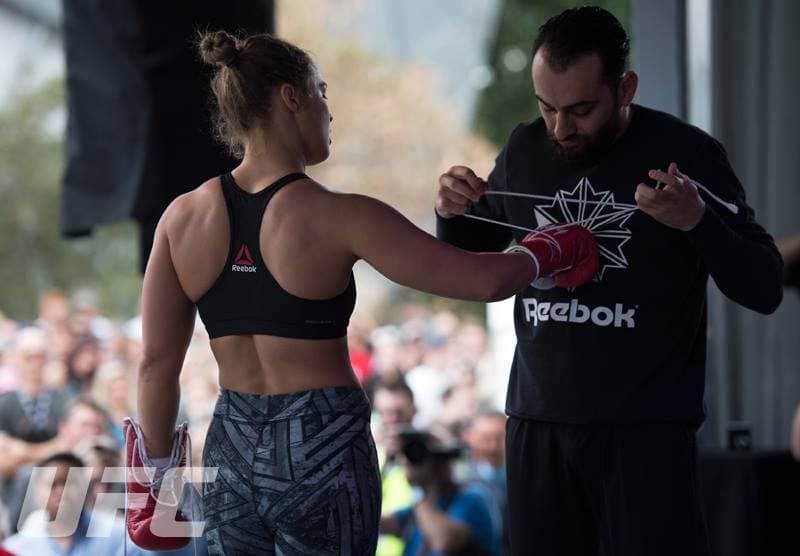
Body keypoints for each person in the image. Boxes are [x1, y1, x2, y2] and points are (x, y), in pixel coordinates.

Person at [130, 30, 598, 556]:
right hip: (322, 447)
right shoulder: (342, 216)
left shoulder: (181, 218)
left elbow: (155, 365)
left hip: (231, 446)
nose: (329, 112)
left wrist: (157, 482)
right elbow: (484, 280)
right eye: (321, 92)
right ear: (291, 97)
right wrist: (553, 247)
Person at [435, 6, 784, 555]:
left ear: (625, 89)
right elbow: (469, 252)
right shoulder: (525, 146)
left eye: (581, 109)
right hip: (537, 424)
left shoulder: (687, 154)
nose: (561, 128)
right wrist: (451, 210)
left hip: (645, 434)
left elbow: (764, 286)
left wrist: (697, 220)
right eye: (546, 106)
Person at [379, 429, 500, 556]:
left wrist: (418, 487)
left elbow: (444, 541)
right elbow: (379, 524)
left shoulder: (471, 498)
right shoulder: (426, 506)